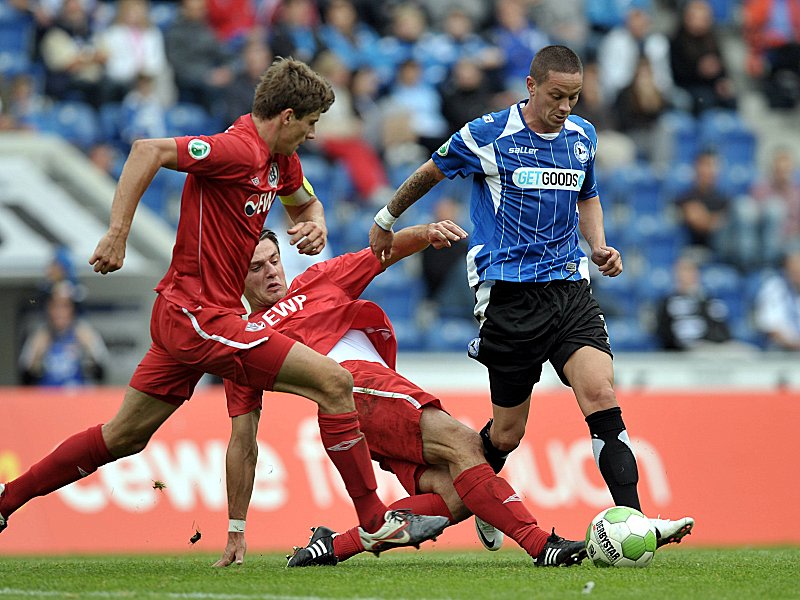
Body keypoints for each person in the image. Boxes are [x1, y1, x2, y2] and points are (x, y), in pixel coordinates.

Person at [0, 58, 447, 549]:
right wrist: (117, 234)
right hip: (197, 314)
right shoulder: (236, 149)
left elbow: (305, 202)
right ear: (287, 116)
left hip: (200, 318)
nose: (314, 136)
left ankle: (4, 500)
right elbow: (146, 150)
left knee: (123, 436)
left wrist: (315, 221)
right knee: (334, 381)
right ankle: (372, 520)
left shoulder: (281, 161)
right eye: (312, 123)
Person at [368, 46, 694, 545]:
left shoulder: (582, 137)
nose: (565, 106)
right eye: (557, 95)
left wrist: (600, 245)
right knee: (505, 435)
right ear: (531, 86)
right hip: (509, 297)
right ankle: (482, 494)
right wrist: (386, 219)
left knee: (601, 394)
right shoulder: (487, 134)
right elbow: (430, 172)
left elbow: (587, 196)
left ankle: (635, 517)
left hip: (569, 287)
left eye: (575, 96)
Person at [216, 223, 595, 569]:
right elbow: (243, 441)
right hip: (357, 389)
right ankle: (542, 545)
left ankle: (333, 545)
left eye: (274, 260)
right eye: (255, 268)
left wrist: (425, 232)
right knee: (466, 447)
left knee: (453, 494)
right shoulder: (244, 339)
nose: (271, 272)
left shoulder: (315, 282)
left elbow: (381, 253)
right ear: (236, 277)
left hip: (377, 398)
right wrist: (236, 526)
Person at [18, 282, 109, 387]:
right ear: (48, 308)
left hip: (78, 398)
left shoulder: (85, 332)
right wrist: (36, 357)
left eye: (65, 306)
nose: (59, 312)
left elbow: (102, 374)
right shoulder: (39, 335)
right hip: (45, 398)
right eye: (55, 306)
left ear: (73, 309)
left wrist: (90, 351)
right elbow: (24, 379)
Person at [655, 256, 736, 351]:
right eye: (683, 271)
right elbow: (663, 332)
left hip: (715, 345)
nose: (686, 275)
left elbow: (721, 326)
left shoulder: (707, 299)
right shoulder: (667, 302)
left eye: (691, 271)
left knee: (747, 353)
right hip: (688, 348)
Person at [754, 249, 800, 350]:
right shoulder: (774, 287)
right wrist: (795, 345)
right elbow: (771, 327)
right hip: (782, 348)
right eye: (795, 270)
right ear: (787, 269)